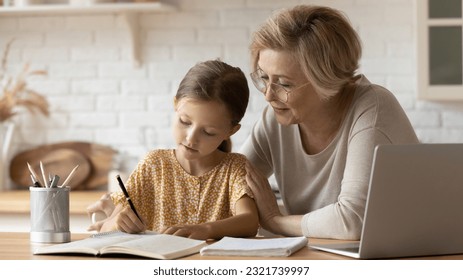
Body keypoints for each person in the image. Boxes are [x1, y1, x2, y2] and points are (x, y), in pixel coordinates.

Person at [241, 5, 419, 240]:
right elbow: (228, 183)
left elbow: (353, 220)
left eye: (284, 84)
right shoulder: (276, 118)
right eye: (264, 78)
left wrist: (276, 221)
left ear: (327, 81)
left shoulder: (372, 109)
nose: (268, 95)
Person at [87, 59, 259, 240]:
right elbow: (106, 227)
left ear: (231, 131)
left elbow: (249, 222)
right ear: (175, 105)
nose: (191, 138)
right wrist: (116, 223)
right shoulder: (153, 165)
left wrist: (206, 230)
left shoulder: (235, 168)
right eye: (185, 122)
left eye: (208, 132)